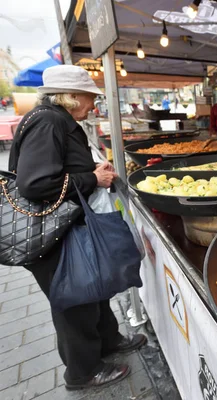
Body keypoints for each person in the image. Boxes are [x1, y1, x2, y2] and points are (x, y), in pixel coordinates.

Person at [8, 65, 147, 390]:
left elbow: (59, 166)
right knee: (74, 301)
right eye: (89, 97)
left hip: (69, 227)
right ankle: (83, 373)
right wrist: (91, 178)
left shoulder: (53, 118)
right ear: (70, 97)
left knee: (93, 288)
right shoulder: (48, 121)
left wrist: (90, 168)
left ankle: (108, 342)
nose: (93, 105)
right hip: (53, 236)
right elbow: (36, 182)